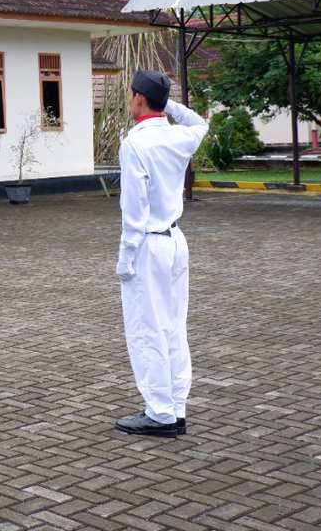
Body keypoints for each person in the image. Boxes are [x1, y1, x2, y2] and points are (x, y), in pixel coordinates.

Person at [114, 69, 208, 438]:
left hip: (148, 245)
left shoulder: (135, 144)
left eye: (131, 94)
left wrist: (126, 256)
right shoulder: (178, 136)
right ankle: (176, 407)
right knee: (173, 327)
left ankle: (160, 412)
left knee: (146, 329)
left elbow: (133, 209)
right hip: (175, 240)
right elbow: (199, 122)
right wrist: (166, 103)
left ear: (138, 97)